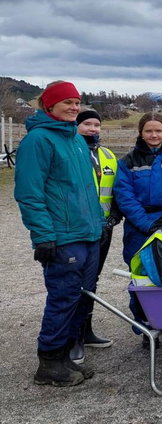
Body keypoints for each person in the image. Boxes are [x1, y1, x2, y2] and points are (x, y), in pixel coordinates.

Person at [15, 81, 103, 386]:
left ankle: (65, 355)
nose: (74, 108)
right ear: (49, 106)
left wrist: (99, 222)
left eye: (77, 102)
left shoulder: (76, 139)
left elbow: (85, 189)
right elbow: (29, 193)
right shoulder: (37, 141)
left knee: (81, 299)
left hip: (89, 233)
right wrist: (43, 236)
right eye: (67, 102)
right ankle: (49, 361)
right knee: (63, 298)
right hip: (63, 237)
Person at [114, 112, 162, 350]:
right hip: (139, 228)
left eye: (158, 130)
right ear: (141, 132)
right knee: (142, 279)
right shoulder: (128, 162)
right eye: (149, 130)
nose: (154, 135)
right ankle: (147, 327)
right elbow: (124, 197)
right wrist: (146, 224)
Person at [71, 109, 120, 358]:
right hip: (79, 230)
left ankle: (87, 330)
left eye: (96, 125)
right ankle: (74, 336)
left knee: (93, 281)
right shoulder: (71, 153)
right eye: (87, 124)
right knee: (77, 283)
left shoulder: (109, 156)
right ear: (77, 126)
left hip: (104, 229)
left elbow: (116, 190)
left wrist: (115, 215)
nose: (93, 129)